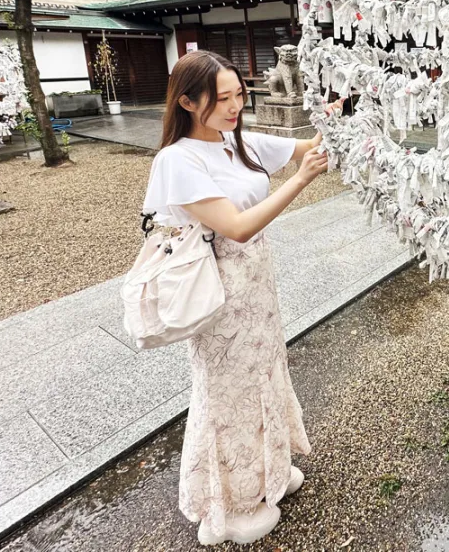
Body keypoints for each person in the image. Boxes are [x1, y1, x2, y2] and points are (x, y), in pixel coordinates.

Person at [141, 50, 335, 546]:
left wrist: (338, 113)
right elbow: (238, 227)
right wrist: (300, 180)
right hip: (218, 293)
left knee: (267, 374)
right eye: (221, 98)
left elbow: (303, 146)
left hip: (256, 290)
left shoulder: (234, 141)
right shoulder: (177, 159)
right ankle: (231, 503)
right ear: (186, 101)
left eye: (239, 95)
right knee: (228, 392)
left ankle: (270, 473)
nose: (234, 107)